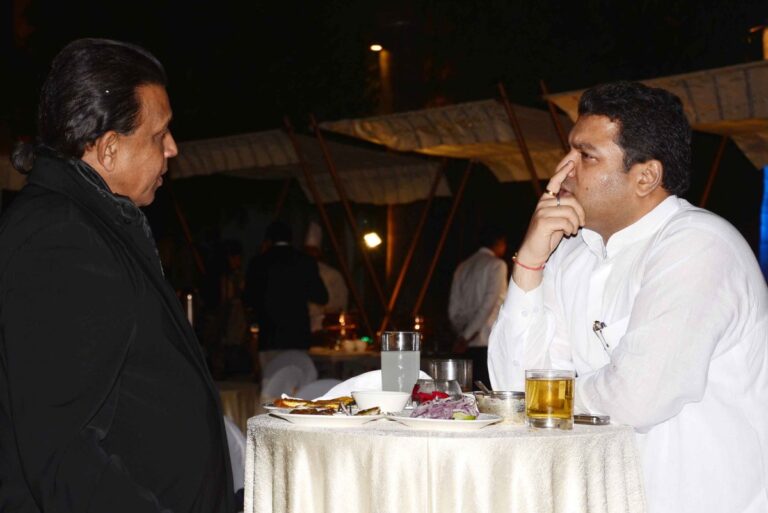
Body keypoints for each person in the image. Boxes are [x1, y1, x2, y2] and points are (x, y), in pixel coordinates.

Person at [488, 81, 768, 513]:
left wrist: (545, 401)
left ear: (646, 177)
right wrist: (528, 262)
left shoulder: (697, 245)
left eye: (586, 156)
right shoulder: (572, 254)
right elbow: (512, 387)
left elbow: (638, 396)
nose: (563, 169)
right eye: (569, 151)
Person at [0, 39, 234, 512]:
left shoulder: (92, 223)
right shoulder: (62, 240)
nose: (173, 148)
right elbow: (64, 455)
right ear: (108, 149)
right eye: (158, 134)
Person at [242, 220, 328, 367]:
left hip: (270, 336)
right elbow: (321, 296)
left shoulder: (259, 263)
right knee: (296, 383)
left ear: (269, 239)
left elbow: (248, 299)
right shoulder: (305, 262)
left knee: (271, 384)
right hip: (298, 336)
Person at [448, 225, 508, 387]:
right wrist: (467, 336)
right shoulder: (497, 265)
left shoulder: (463, 266)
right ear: (499, 242)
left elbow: (453, 308)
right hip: (487, 341)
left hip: (464, 344)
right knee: (487, 396)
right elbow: (488, 305)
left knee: (466, 394)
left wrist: (461, 334)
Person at [304, 221, 348, 335]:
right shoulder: (297, 272)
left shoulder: (332, 275)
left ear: (318, 252)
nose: (310, 255)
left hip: (326, 327)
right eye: (307, 251)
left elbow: (341, 303)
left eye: (313, 251)